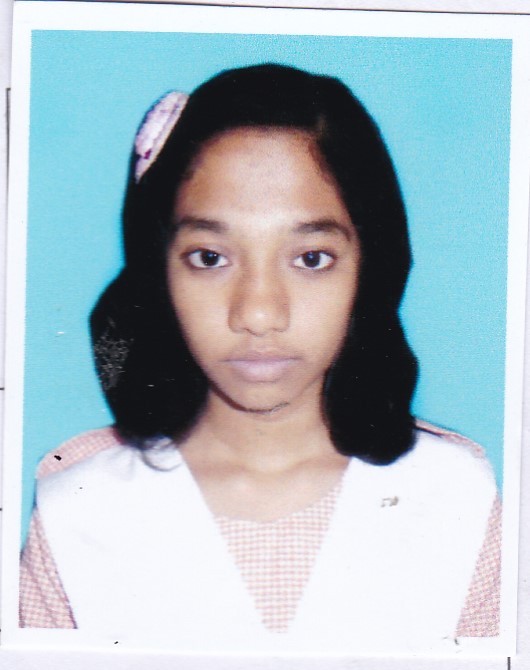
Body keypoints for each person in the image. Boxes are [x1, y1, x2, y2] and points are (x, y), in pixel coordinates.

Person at [19, 64, 500, 653]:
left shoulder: (458, 499)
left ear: (371, 268)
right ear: (158, 270)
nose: (259, 312)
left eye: (311, 259)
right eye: (210, 257)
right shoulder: (79, 512)